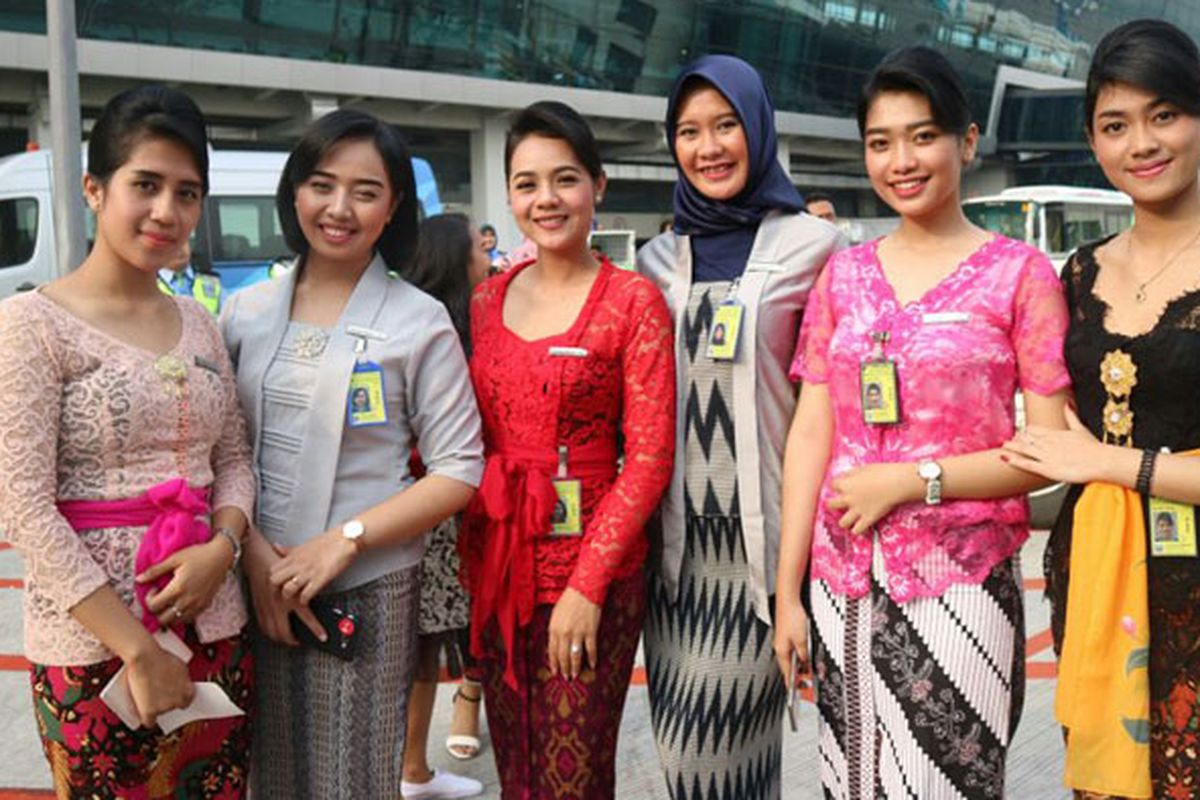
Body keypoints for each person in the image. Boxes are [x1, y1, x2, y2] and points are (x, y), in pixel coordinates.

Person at [776, 46, 1070, 799]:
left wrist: (915, 481)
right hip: (841, 582)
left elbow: (1050, 450)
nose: (901, 160)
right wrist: (788, 591)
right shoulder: (844, 273)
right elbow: (813, 431)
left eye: (922, 135)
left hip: (960, 583)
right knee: (853, 782)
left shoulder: (1020, 275)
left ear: (967, 142)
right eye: (880, 142)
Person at [220, 109, 484, 799]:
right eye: (321, 184)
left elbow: (459, 467)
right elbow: (226, 451)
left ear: (395, 205)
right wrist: (256, 560)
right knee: (267, 775)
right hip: (257, 583)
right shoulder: (245, 312)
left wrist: (346, 541)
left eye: (366, 191)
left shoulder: (418, 319)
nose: (339, 209)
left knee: (349, 779)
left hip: (366, 586)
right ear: (295, 192)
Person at [0, 85, 255, 797]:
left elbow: (232, 458)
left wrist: (222, 550)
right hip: (95, 652)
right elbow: (21, 505)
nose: (167, 212)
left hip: (216, 629)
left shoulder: (199, 321)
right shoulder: (31, 326)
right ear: (94, 187)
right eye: (146, 184)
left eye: (188, 192)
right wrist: (137, 648)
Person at [1001, 19, 1200, 799]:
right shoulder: (1077, 274)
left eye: (1165, 115)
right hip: (1097, 586)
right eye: (1115, 125)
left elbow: (1082, 457)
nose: (1141, 143)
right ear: (1092, 140)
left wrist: (1111, 465)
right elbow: (1048, 443)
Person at [637, 55, 844, 800]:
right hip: (674, 562)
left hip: (764, 559)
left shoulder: (815, 249)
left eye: (726, 125)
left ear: (758, 128)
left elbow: (829, 410)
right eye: (689, 132)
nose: (709, 146)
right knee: (695, 766)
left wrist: (796, 583)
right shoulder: (656, 258)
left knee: (708, 761)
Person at [459, 100, 675, 798]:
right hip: (499, 566)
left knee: (573, 774)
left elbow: (648, 458)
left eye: (564, 179)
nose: (545, 200)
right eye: (526, 184)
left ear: (598, 185)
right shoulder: (486, 301)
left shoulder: (632, 301)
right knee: (515, 765)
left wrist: (588, 585)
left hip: (591, 571)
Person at [394, 212, 492, 799]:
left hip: (420, 506)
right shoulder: (448, 333)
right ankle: (410, 770)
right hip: (432, 511)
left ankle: (413, 768)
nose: (489, 258)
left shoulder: (419, 320)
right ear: (455, 260)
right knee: (421, 648)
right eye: (480, 250)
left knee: (420, 647)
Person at [157, 242, 224, 315]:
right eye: (173, 243)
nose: (180, 249)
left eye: (183, 242)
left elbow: (226, 320)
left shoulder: (210, 280)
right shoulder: (148, 285)